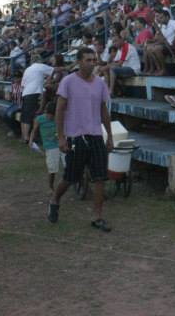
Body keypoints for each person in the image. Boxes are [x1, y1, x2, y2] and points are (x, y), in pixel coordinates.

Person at [47, 47, 114, 233]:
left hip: (95, 135)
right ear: (78, 62)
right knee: (71, 177)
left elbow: (103, 111)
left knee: (100, 177)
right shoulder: (68, 82)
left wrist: (109, 135)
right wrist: (61, 137)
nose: (92, 63)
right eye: (88, 60)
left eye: (94, 60)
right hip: (75, 136)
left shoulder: (100, 83)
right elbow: (60, 110)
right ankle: (55, 199)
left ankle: (97, 216)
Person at [19, 53, 54, 143]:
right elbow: (54, 70)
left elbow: (22, 85)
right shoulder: (40, 66)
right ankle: (28, 137)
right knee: (32, 115)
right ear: (39, 60)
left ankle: (24, 136)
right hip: (34, 92)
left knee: (24, 116)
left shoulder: (27, 69)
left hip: (25, 93)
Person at [30, 100, 61, 191]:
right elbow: (34, 130)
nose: (50, 117)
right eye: (49, 115)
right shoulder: (39, 119)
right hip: (50, 145)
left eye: (52, 115)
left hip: (60, 142)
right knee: (52, 168)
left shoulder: (59, 118)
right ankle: (51, 186)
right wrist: (31, 140)